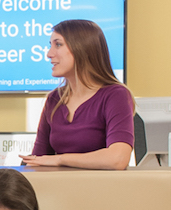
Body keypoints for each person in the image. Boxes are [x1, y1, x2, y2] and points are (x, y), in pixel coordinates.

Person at [21, 20, 135, 170]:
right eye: (50, 45)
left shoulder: (115, 95)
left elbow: (118, 159)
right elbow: (38, 161)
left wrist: (60, 159)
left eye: (58, 44)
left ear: (81, 48)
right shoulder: (54, 99)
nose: (49, 54)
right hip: (58, 190)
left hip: (101, 190)